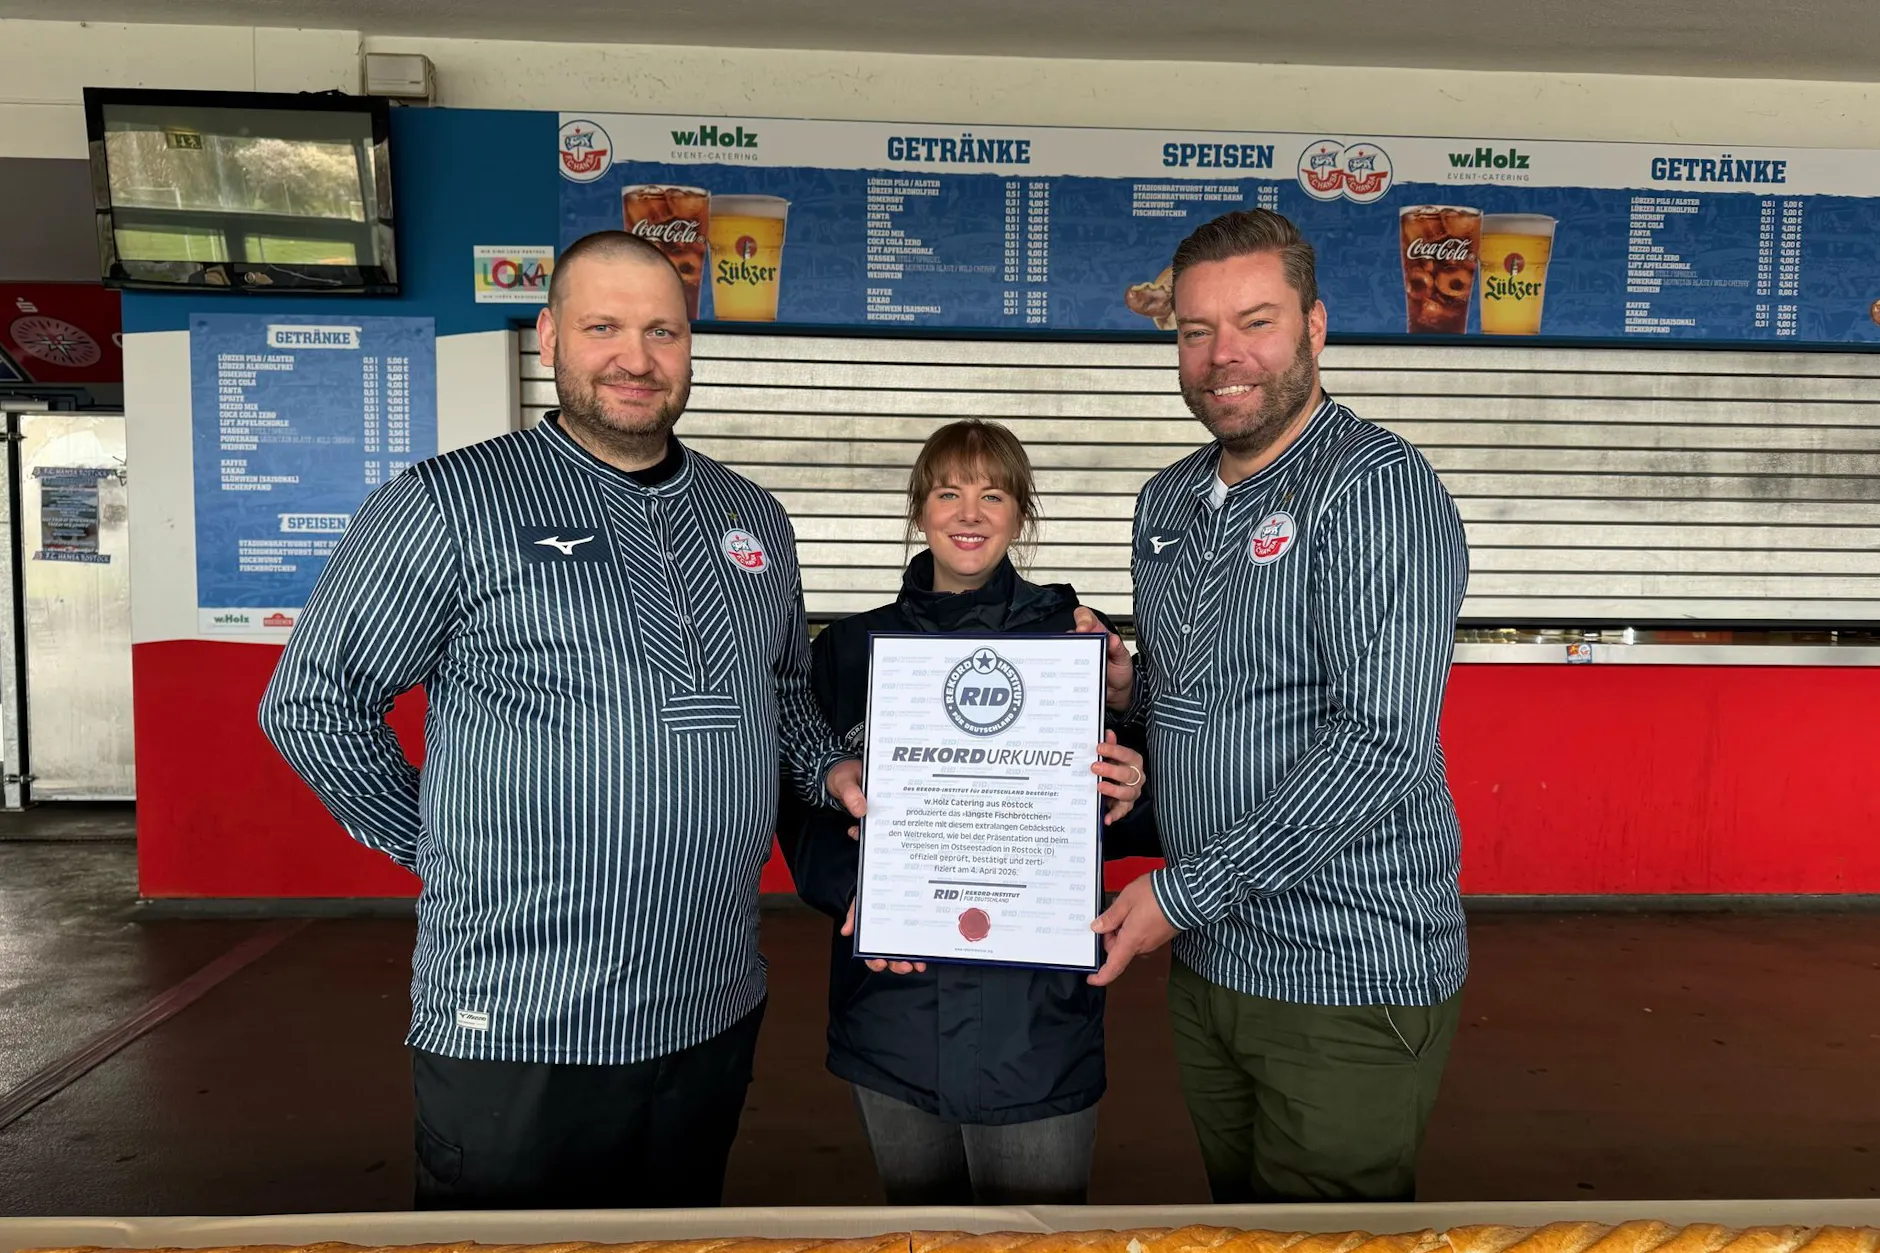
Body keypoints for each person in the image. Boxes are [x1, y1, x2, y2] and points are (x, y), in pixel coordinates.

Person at [258, 230, 864, 1210]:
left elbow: (785, 691)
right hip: (523, 1015)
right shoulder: (448, 502)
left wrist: (832, 768)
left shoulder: (752, 514)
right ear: (548, 337)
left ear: (690, 345)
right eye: (603, 326)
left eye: (662, 330)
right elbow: (314, 702)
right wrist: (443, 845)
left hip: (710, 996)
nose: (636, 356)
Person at [1078, 208, 1471, 1203]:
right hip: (1211, 965)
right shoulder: (1164, 501)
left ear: (1315, 327)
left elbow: (1376, 744)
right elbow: (1192, 701)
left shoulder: (1373, 486)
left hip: (1344, 971)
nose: (1222, 356)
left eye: (1253, 321)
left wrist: (1174, 896)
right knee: (1244, 1223)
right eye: (1194, 330)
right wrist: (1130, 699)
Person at [779, 418, 1156, 1205]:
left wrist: (1129, 762)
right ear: (920, 509)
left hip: (1037, 1025)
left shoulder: (1076, 646)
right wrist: (860, 897)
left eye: (993, 493)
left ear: (1022, 511)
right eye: (949, 491)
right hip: (892, 1013)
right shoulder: (848, 651)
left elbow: (1129, 820)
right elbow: (801, 806)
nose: (970, 512)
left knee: (1037, 1231)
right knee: (923, 1227)